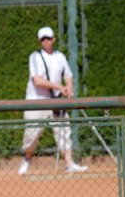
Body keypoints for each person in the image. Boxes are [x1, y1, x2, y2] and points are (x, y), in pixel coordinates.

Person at [18, 26, 88, 175]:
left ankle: (69, 163)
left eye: (48, 38)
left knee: (64, 131)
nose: (45, 42)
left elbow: (68, 75)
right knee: (32, 135)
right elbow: (37, 80)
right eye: (43, 39)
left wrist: (69, 88)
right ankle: (27, 158)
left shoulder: (60, 57)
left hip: (55, 101)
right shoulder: (35, 57)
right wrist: (59, 86)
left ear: (53, 39)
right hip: (36, 102)